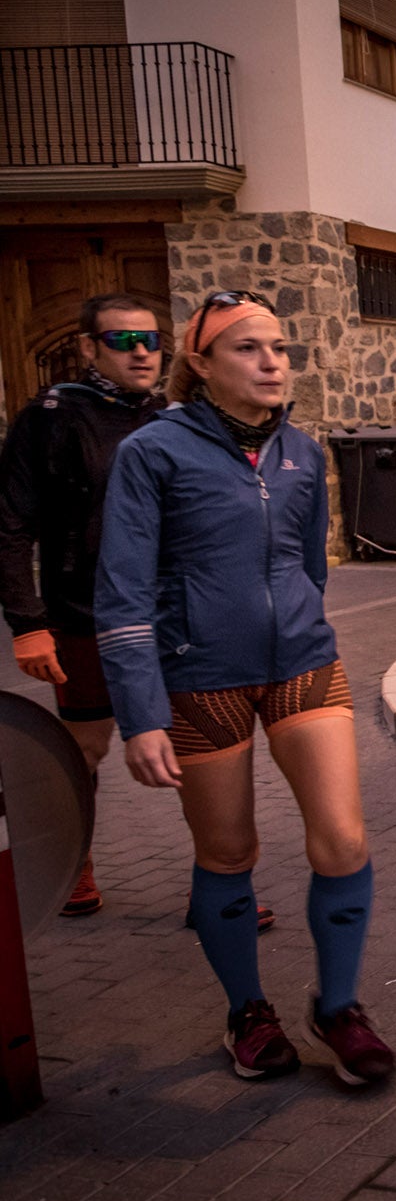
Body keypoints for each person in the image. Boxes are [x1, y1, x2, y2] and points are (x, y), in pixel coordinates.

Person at [96, 290, 393, 1085]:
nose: (272, 363)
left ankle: (338, 1006)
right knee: (228, 850)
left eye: (281, 349)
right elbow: (121, 588)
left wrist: (299, 620)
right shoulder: (152, 452)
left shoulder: (303, 452)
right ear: (202, 363)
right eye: (248, 348)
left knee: (345, 840)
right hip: (200, 678)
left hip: (302, 664)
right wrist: (140, 714)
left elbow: (309, 565)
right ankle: (247, 1014)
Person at [0, 294, 166, 917]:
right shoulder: (49, 419)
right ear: (89, 348)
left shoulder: (171, 417)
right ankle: (72, 866)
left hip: (166, 616)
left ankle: (221, 874)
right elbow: (10, 525)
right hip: (83, 615)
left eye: (151, 341)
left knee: (201, 745)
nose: (143, 352)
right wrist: (27, 624)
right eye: (124, 342)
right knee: (82, 751)